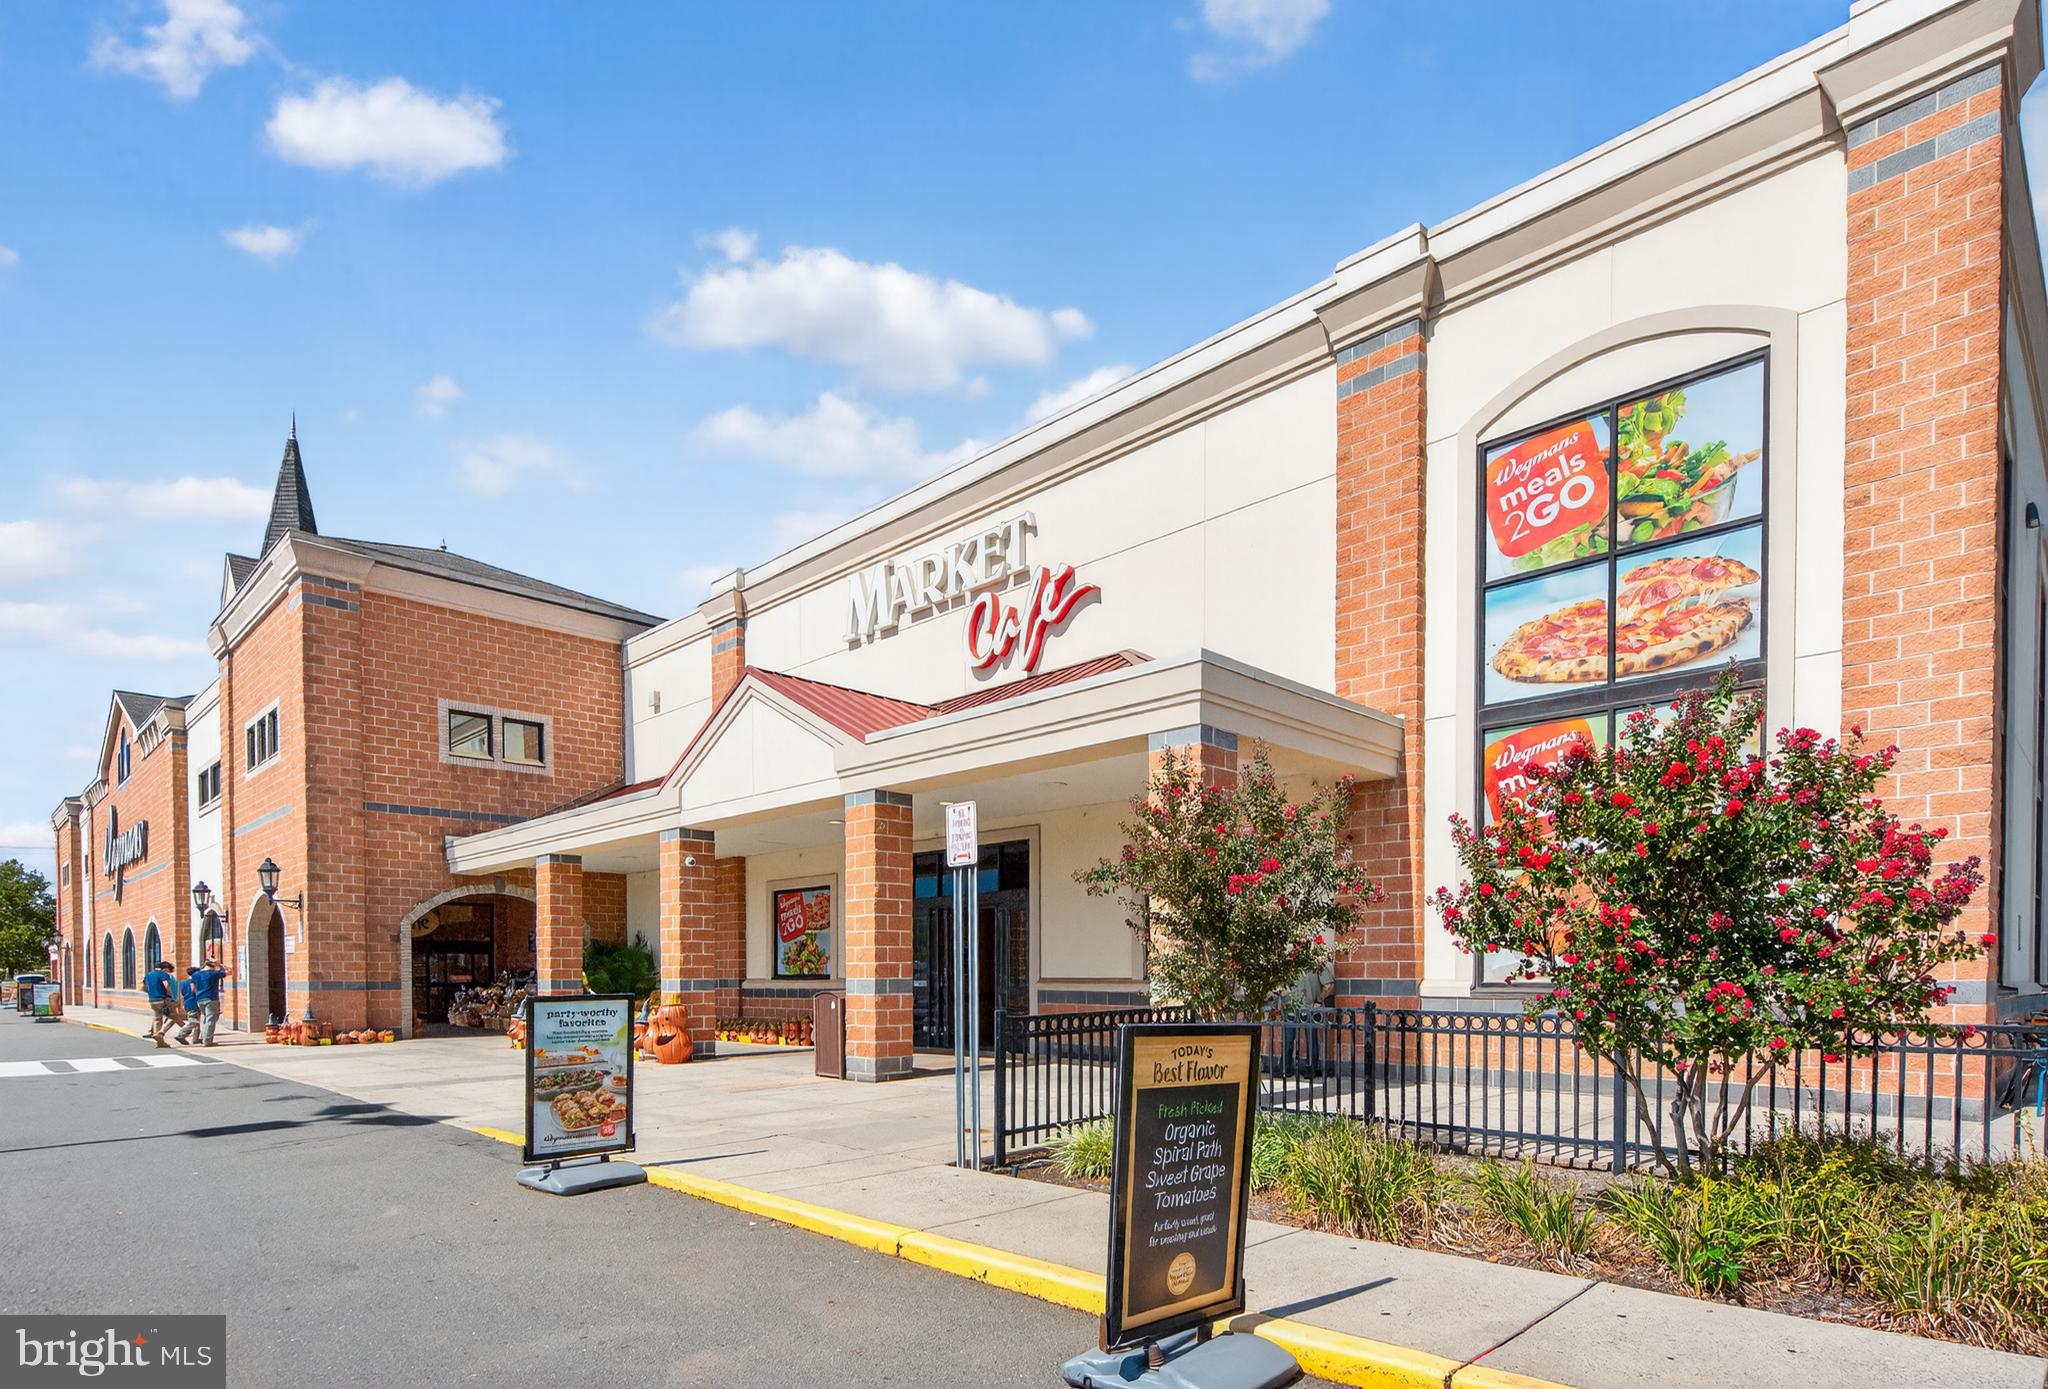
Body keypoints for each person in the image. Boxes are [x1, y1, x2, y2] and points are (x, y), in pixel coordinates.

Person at [1280, 956, 1336, 1078]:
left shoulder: (1290, 963)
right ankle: (1308, 1070)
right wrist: (1319, 1000)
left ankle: (1287, 1069)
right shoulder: (1315, 963)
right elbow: (1328, 985)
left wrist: (1319, 1000)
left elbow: (1329, 985)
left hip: (1296, 1007)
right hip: (1303, 1007)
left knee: (1291, 1040)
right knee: (1308, 1040)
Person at [187, 959, 231, 1046]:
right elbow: (229, 972)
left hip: (200, 999)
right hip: (211, 998)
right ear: (213, 966)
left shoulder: (195, 975)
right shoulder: (214, 974)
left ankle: (204, 1037)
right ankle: (207, 1041)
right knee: (210, 1020)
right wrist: (220, 964)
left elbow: (193, 987)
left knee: (206, 1019)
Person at [140, 959, 180, 1049]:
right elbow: (166, 985)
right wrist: (170, 995)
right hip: (163, 999)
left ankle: (159, 1040)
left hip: (152, 1000)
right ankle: (161, 1033)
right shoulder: (163, 974)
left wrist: (152, 992)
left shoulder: (148, 975)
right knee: (173, 1017)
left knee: (157, 1018)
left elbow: (142, 988)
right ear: (163, 968)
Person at [171, 968, 202, 1045]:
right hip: (193, 1002)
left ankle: (195, 1039)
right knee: (194, 1021)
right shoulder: (193, 981)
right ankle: (181, 1034)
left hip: (186, 1001)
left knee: (196, 1021)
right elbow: (193, 990)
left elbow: (180, 993)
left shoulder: (182, 982)